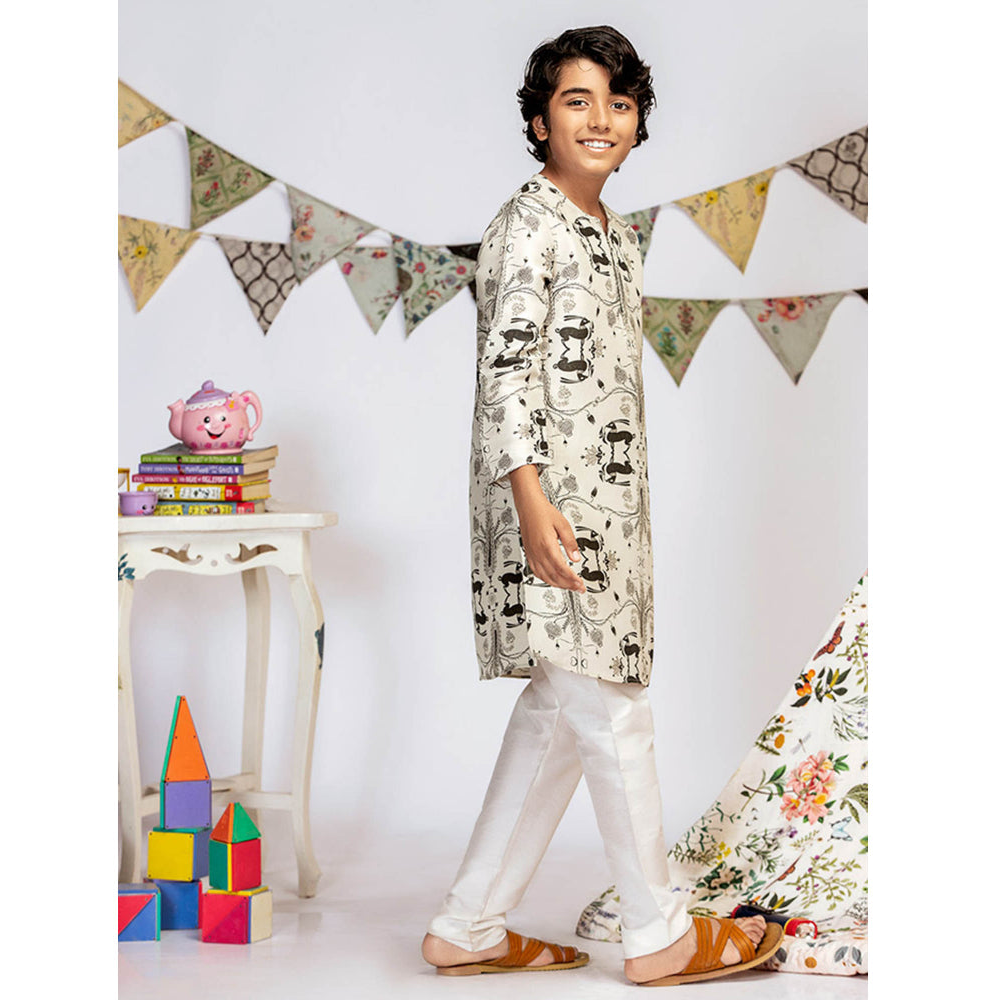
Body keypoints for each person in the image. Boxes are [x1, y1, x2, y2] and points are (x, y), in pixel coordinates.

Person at [421, 26, 781, 986]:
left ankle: (467, 926)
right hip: (549, 504)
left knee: (560, 709)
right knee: (613, 708)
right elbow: (505, 374)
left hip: (608, 508)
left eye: (619, 104)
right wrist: (529, 498)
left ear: (636, 124)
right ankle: (659, 934)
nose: (600, 119)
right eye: (577, 100)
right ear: (541, 120)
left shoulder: (615, 234)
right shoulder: (526, 224)